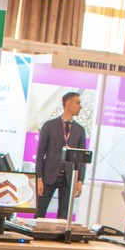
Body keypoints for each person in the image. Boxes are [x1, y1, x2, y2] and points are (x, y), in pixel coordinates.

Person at [34, 91, 87, 219]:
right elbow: (40, 154)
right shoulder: (49, 126)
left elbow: (82, 158)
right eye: (78, 103)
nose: (80, 107)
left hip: (68, 178)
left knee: (64, 215)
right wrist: (39, 178)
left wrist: (80, 180)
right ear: (68, 104)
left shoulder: (80, 130)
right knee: (40, 211)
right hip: (48, 176)